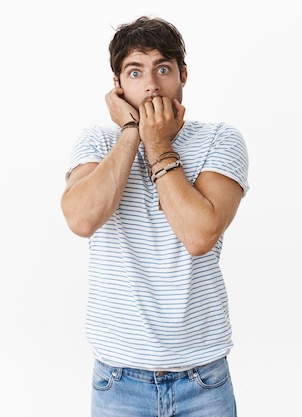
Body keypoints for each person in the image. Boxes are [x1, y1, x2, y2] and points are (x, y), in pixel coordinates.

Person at [61, 16, 249, 417]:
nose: (150, 84)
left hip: (203, 381)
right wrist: (132, 132)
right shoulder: (97, 141)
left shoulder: (221, 139)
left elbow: (198, 236)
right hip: (117, 382)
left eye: (163, 69)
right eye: (135, 71)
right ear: (118, 85)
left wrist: (158, 143)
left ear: (182, 75)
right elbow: (81, 220)